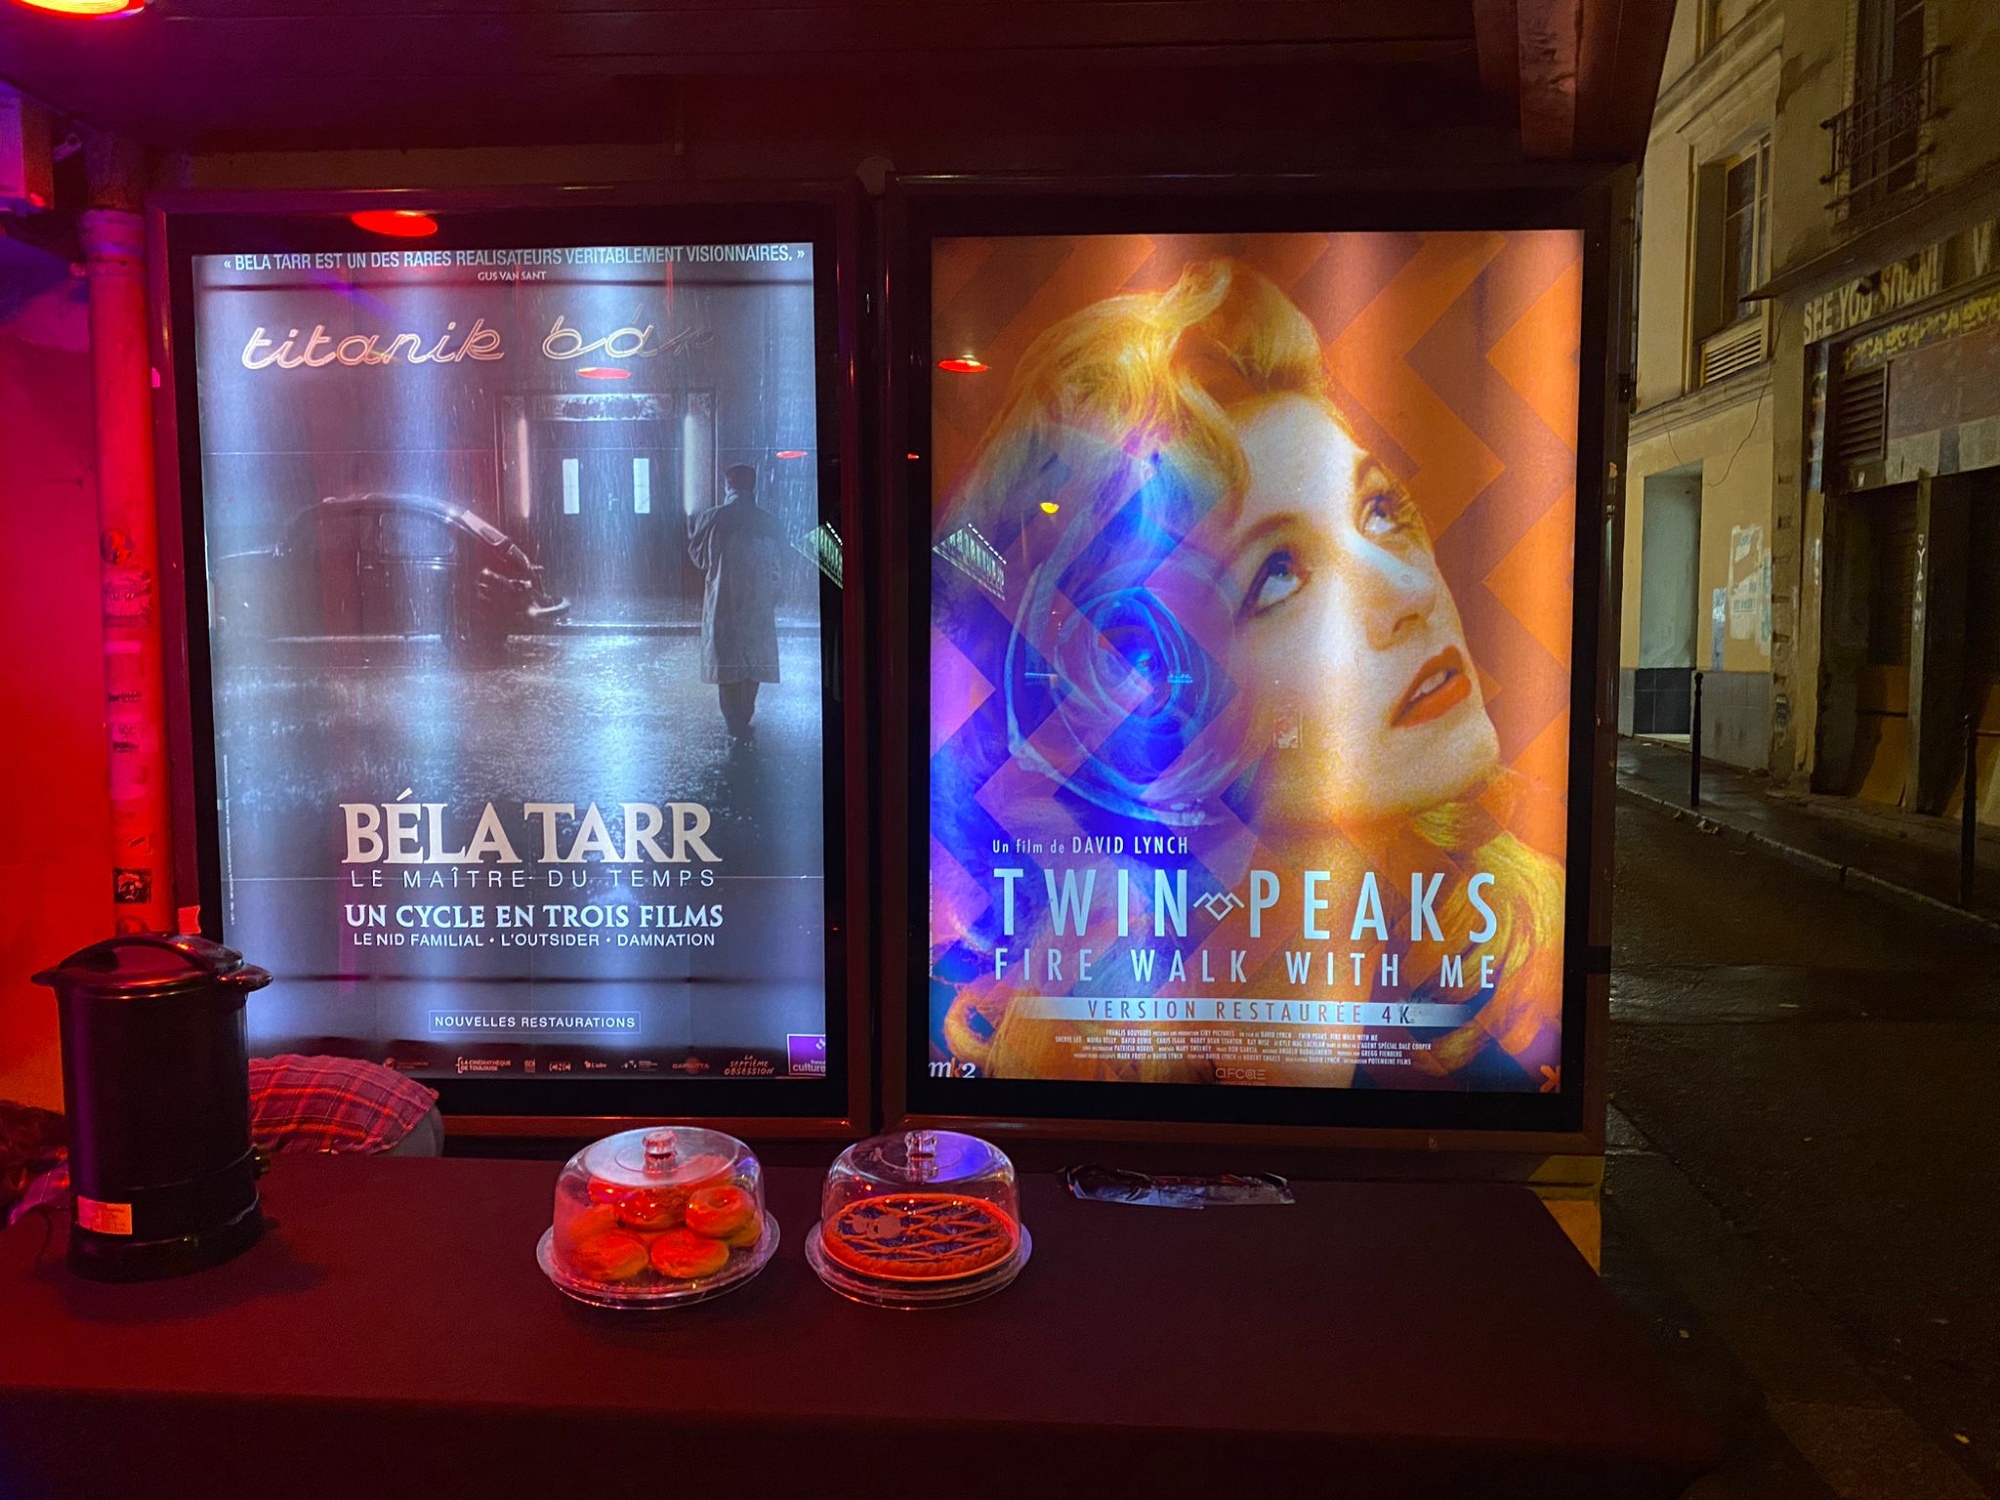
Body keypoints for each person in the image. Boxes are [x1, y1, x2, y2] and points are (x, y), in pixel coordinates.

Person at [930, 258, 1564, 1089]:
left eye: (1380, 510)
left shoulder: (1505, 1018)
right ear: (1139, 695)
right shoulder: (997, 1041)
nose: (1408, 593)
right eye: (1278, 574)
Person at [1, 1057, 442, 1229]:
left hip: (370, 1132)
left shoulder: (81, 1164)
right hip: (409, 1100)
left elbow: (29, 1226)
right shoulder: (121, 1114)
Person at [688, 463, 785, 745]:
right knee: (753, 663)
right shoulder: (767, 521)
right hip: (757, 602)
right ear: (752, 486)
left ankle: (733, 722)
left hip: (724, 600)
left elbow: (700, 559)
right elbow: (779, 564)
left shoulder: (713, 518)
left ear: (728, 485)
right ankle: (745, 716)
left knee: (726, 664)